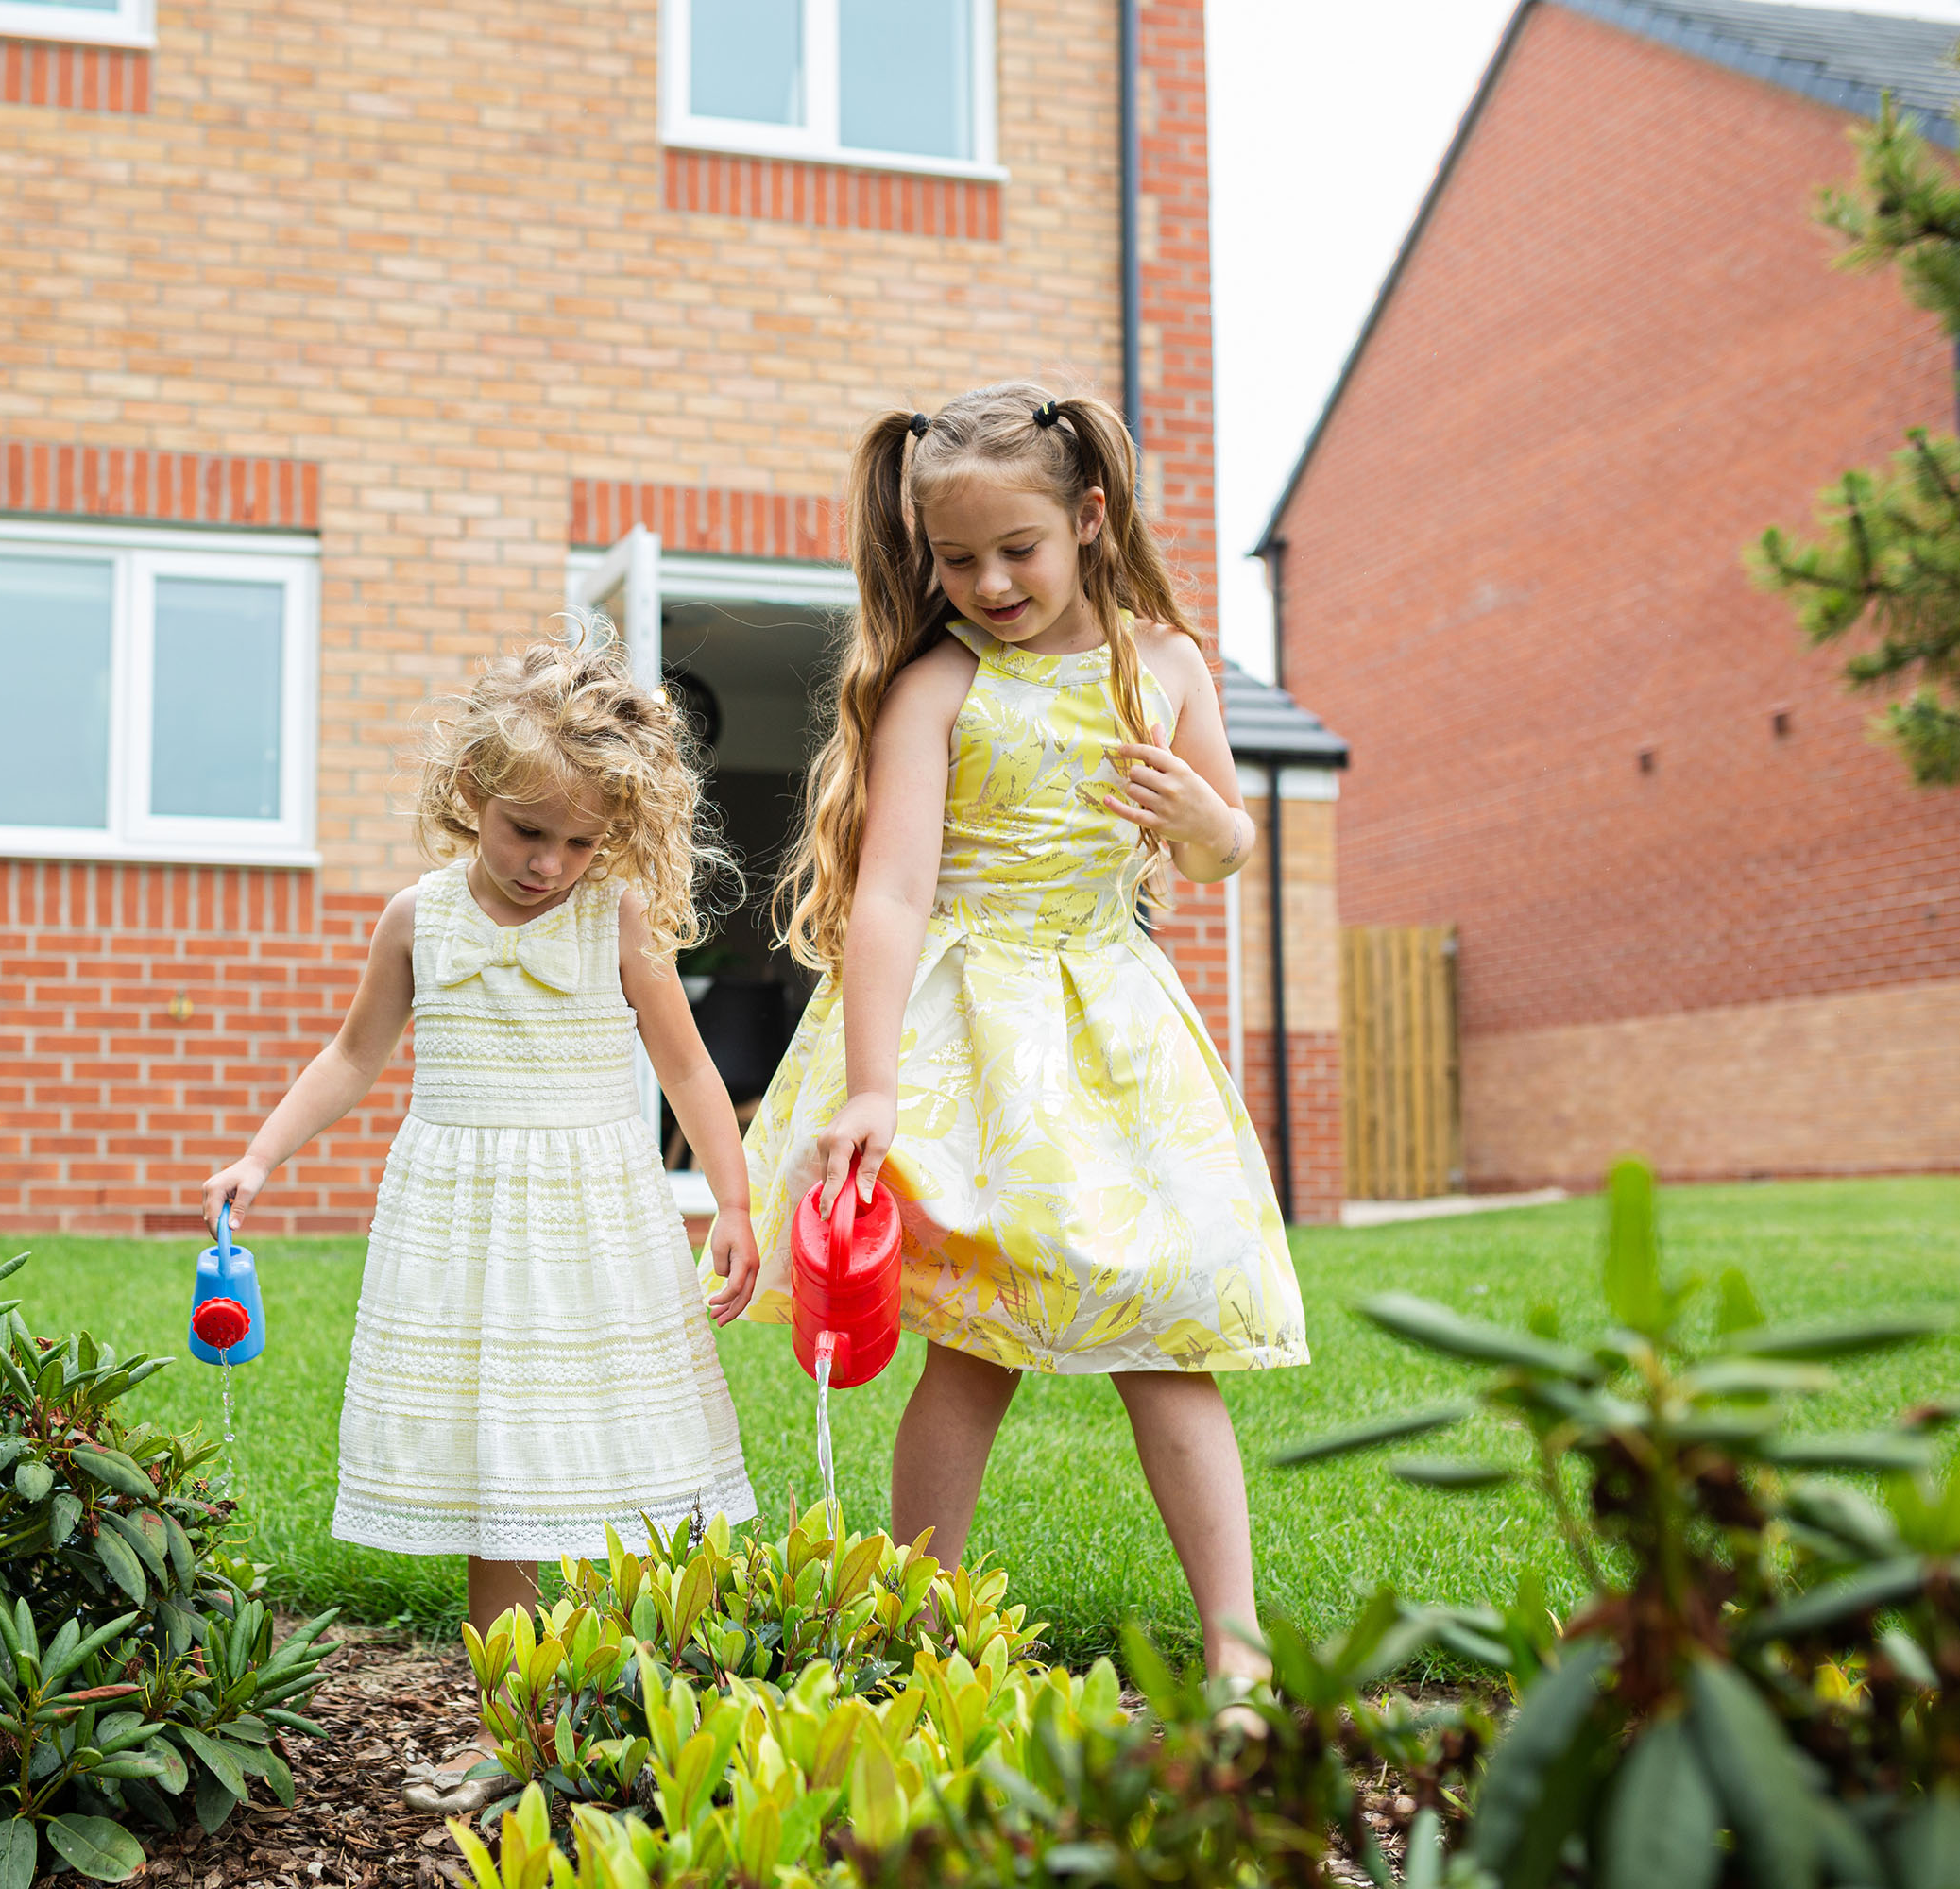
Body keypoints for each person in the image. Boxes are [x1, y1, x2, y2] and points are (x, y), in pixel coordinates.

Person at [735, 382, 1306, 1683]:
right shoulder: (940, 687)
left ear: (1090, 519)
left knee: (1162, 1328)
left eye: (1018, 550)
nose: (989, 581)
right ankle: (919, 1631)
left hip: (1110, 1025)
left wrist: (1211, 828)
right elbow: (889, 894)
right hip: (968, 1036)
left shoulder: (1162, 666)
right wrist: (871, 1087)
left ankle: (1239, 1650)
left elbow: (1225, 842)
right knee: (974, 1340)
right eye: (956, 558)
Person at [201, 629, 760, 1811]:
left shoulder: (612, 921)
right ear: (471, 795)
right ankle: (507, 1728)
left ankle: (651, 1701)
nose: (548, 861)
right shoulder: (418, 919)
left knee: (625, 1457)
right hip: (463, 1230)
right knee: (496, 1476)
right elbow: (354, 1054)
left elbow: (694, 1074)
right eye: (526, 831)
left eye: (577, 839)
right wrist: (261, 1154)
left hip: (592, 1222)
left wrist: (736, 1202)